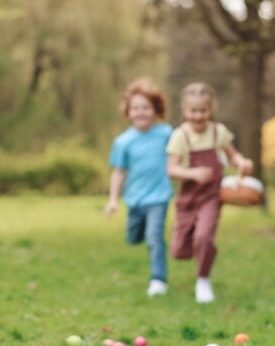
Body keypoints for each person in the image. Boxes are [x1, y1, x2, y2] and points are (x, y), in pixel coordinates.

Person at [166, 82, 253, 304]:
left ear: (210, 110)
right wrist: (193, 173)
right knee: (179, 251)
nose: (198, 116)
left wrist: (242, 162)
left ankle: (202, 279)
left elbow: (233, 156)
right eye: (193, 111)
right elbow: (171, 168)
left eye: (203, 110)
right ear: (185, 111)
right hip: (187, 199)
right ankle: (204, 250)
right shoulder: (180, 136)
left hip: (211, 197)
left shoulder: (218, 132)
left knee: (204, 236)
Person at [107, 78, 173, 297]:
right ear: (128, 112)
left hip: (159, 197)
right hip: (134, 199)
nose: (140, 112)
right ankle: (139, 234)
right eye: (135, 108)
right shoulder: (123, 142)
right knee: (134, 237)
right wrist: (113, 199)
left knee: (154, 236)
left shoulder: (166, 134)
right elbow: (119, 172)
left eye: (146, 107)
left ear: (156, 110)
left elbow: (180, 157)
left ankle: (158, 280)